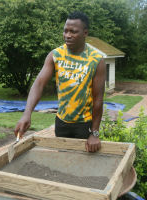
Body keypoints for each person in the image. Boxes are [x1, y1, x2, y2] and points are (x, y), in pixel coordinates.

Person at [14, 11, 106, 153]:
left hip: (84, 124)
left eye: (73, 32)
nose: (67, 35)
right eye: (65, 31)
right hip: (61, 123)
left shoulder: (96, 60)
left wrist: (94, 133)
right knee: (63, 160)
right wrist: (27, 113)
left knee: (82, 163)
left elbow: (98, 99)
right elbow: (39, 83)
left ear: (85, 33)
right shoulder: (55, 55)